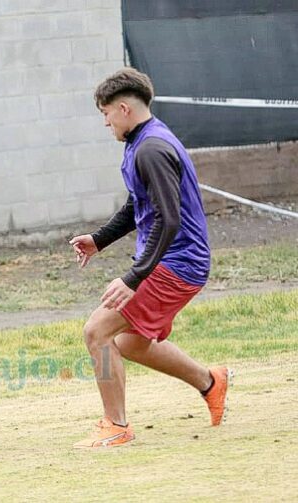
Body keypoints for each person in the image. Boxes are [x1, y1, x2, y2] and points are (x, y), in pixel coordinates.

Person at [69, 68, 232, 449]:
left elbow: (168, 219)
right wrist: (100, 239)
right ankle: (211, 382)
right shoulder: (143, 141)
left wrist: (133, 278)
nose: (105, 122)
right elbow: (138, 204)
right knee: (127, 342)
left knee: (97, 331)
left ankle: (116, 425)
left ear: (123, 108)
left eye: (106, 113)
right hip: (173, 261)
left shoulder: (151, 148)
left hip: (177, 263)